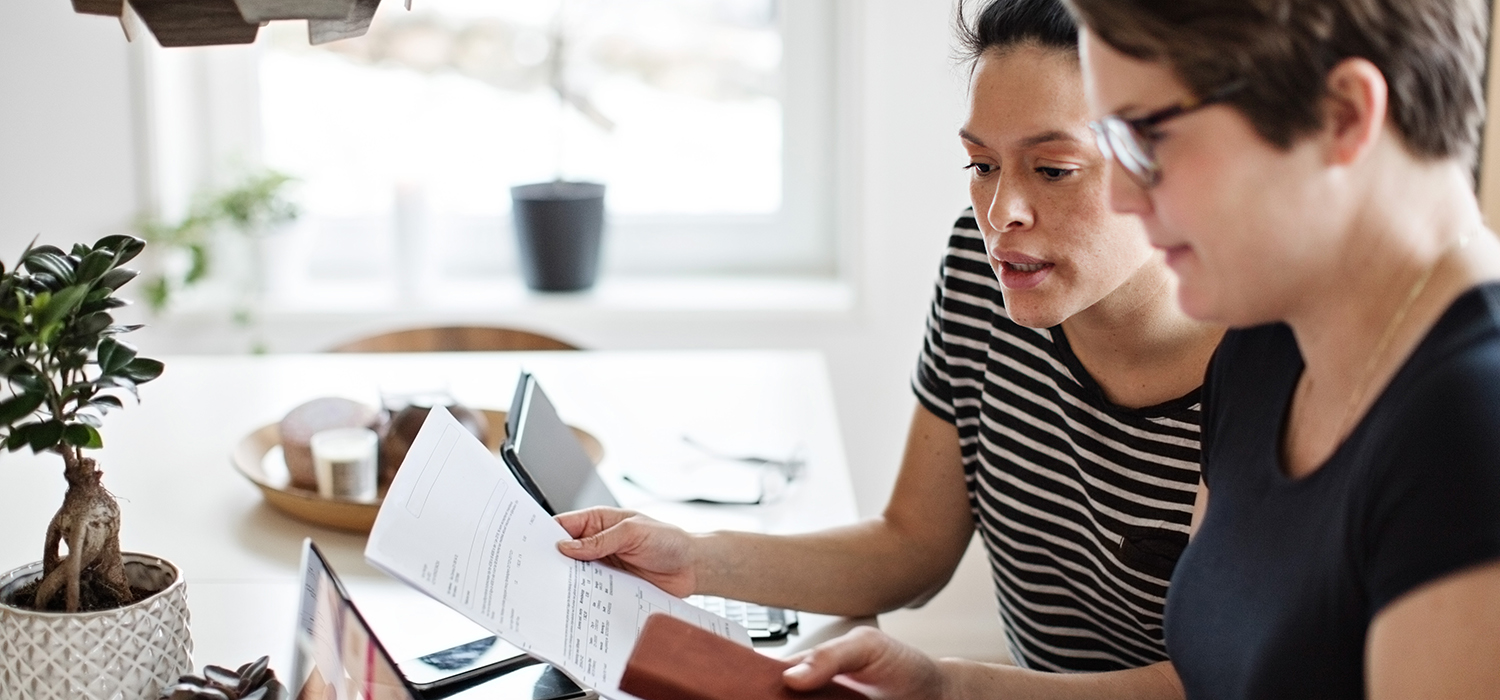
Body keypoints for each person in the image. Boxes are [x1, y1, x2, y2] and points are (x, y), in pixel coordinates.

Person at [776, 0, 1500, 698]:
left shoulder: (1471, 421)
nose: (1123, 192)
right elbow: (1202, 682)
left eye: (1152, 137)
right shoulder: (1262, 349)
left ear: (1343, 115)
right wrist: (944, 687)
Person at [555, 0, 1224, 675]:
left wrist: (946, 688)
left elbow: (1222, 682)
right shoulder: (983, 269)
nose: (1001, 214)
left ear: (1161, 160)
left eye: (1053, 169)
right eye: (982, 165)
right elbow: (911, 547)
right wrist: (694, 556)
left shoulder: (1268, 362)